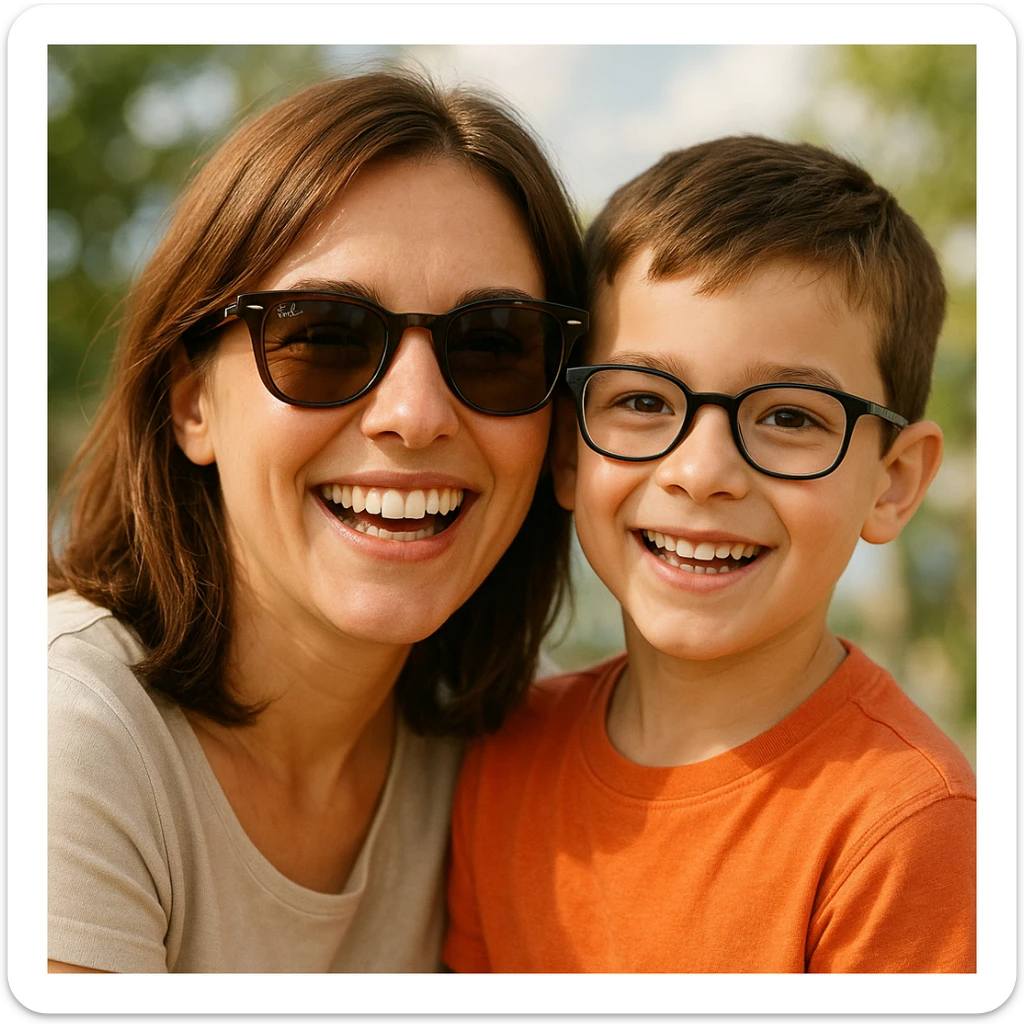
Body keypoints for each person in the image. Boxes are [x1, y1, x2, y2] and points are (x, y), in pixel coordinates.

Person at [47, 68, 587, 973]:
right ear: (192, 404)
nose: (415, 414)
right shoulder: (67, 735)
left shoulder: (521, 751)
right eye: (325, 335)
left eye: (495, 345)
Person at [443, 136, 976, 973]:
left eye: (791, 416)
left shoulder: (906, 825)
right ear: (568, 453)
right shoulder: (501, 761)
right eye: (645, 400)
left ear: (893, 483)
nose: (702, 472)